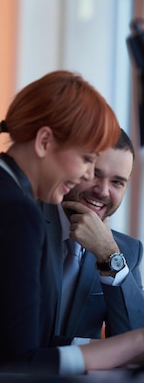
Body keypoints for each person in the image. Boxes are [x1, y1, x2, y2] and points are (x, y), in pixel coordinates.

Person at [0, 70, 144, 375]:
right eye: (88, 160)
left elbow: (25, 342)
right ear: (45, 141)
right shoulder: (14, 216)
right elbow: (20, 362)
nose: (90, 178)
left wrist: (129, 345)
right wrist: (132, 345)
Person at [42, 129, 144, 341]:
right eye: (95, 174)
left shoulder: (126, 251)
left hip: (81, 374)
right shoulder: (28, 223)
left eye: (117, 182)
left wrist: (107, 255)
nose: (103, 191)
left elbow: (135, 340)